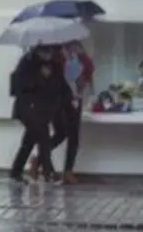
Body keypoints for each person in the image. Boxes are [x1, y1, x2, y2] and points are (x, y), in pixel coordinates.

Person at [9, 44, 71, 183]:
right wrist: (39, 77)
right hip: (28, 109)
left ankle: (16, 171)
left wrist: (69, 98)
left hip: (44, 109)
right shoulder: (27, 62)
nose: (47, 55)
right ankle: (48, 173)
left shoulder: (54, 65)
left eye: (49, 51)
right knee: (42, 136)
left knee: (29, 141)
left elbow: (60, 85)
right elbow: (18, 85)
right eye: (44, 52)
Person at [49, 40, 94, 184]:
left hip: (75, 99)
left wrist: (82, 80)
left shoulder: (79, 54)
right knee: (61, 133)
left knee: (74, 136)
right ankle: (40, 158)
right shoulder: (55, 55)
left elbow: (88, 71)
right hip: (59, 100)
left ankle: (68, 171)